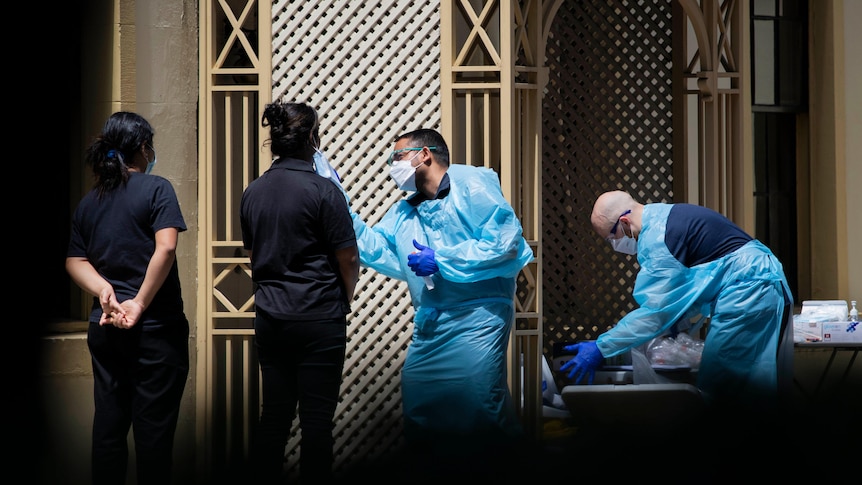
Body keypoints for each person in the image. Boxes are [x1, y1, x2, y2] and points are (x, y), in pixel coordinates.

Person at [345, 128, 534, 477]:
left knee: (479, 405)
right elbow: (378, 250)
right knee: (422, 405)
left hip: (479, 316)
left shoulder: (473, 183)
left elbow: (504, 243)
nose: (392, 166)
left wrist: (442, 260)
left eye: (397, 157)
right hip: (430, 325)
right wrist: (340, 207)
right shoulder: (405, 212)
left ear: (425, 155)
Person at [561, 191, 793, 458]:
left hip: (749, 293)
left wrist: (602, 347)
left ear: (624, 222)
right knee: (748, 389)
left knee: (723, 389)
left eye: (612, 236)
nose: (614, 244)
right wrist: (675, 320)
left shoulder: (658, 239)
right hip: (758, 285)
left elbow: (654, 314)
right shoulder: (664, 215)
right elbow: (701, 276)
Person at [66, 111, 190, 485]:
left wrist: (104, 290)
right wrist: (138, 302)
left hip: (105, 328)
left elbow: (74, 260)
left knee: (108, 429)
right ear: (142, 148)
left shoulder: (90, 202)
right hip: (156, 330)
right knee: (154, 437)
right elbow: (165, 248)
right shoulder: (158, 189)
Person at [240, 101, 359, 484]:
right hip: (319, 317)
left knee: (273, 416)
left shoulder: (253, 192)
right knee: (316, 422)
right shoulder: (324, 191)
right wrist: (345, 297)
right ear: (311, 138)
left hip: (271, 317)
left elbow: (254, 252)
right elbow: (349, 258)